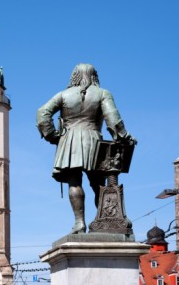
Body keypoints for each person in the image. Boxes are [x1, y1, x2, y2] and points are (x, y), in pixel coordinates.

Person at [36, 63, 135, 234]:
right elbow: (112, 117)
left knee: (74, 182)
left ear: (74, 76)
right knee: (99, 185)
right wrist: (124, 136)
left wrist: (53, 136)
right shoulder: (103, 93)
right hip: (94, 141)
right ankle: (105, 220)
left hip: (69, 142)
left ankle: (79, 223)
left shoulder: (63, 94)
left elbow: (42, 113)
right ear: (94, 76)